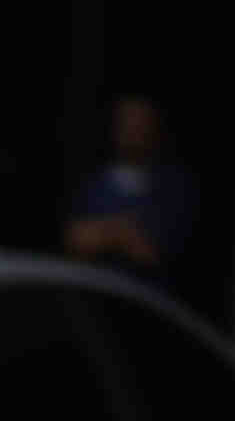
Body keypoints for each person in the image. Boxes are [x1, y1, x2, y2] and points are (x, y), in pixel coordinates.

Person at [60, 92, 200, 295]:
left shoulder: (172, 188)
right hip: (95, 297)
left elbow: (152, 253)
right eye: (126, 123)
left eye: (139, 124)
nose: (131, 131)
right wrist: (120, 231)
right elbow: (75, 240)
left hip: (145, 302)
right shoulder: (95, 184)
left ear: (154, 129)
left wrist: (105, 233)